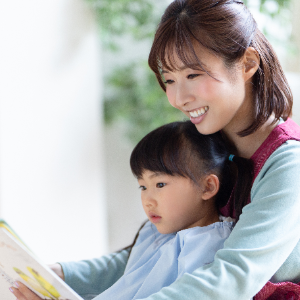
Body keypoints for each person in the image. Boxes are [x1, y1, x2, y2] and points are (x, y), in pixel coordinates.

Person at [10, 0, 300, 299]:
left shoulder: (289, 166)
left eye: (192, 75)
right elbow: (157, 252)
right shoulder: (207, 142)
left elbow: (229, 278)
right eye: (169, 79)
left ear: (248, 64)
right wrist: (56, 276)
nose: (177, 98)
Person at [10, 121, 253, 300]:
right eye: (142, 186)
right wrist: (58, 276)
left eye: (160, 184)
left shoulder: (210, 246)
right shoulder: (156, 231)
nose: (147, 199)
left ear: (208, 186)